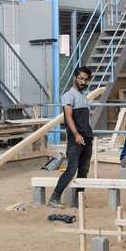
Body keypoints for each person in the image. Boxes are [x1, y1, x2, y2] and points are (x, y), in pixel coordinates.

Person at [49, 66, 96, 208]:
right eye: (81, 78)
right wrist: (76, 134)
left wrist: (87, 136)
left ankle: (78, 201)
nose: (83, 82)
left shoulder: (83, 96)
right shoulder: (69, 95)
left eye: (86, 79)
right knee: (71, 169)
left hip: (87, 138)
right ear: (75, 77)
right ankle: (54, 197)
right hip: (75, 139)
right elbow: (68, 117)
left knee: (84, 170)